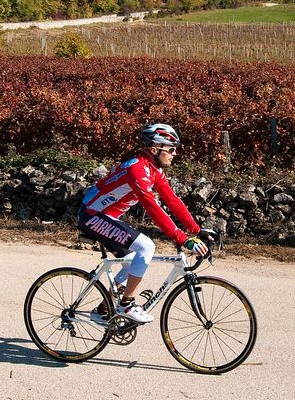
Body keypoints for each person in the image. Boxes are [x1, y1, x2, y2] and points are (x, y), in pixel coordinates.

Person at [78, 123, 209, 324]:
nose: (175, 154)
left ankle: (103, 310)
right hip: (92, 215)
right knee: (146, 246)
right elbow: (154, 209)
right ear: (155, 149)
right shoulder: (137, 169)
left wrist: (197, 230)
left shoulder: (153, 169)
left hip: (106, 217)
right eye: (171, 149)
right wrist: (183, 239)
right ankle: (126, 304)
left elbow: (172, 200)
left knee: (132, 260)